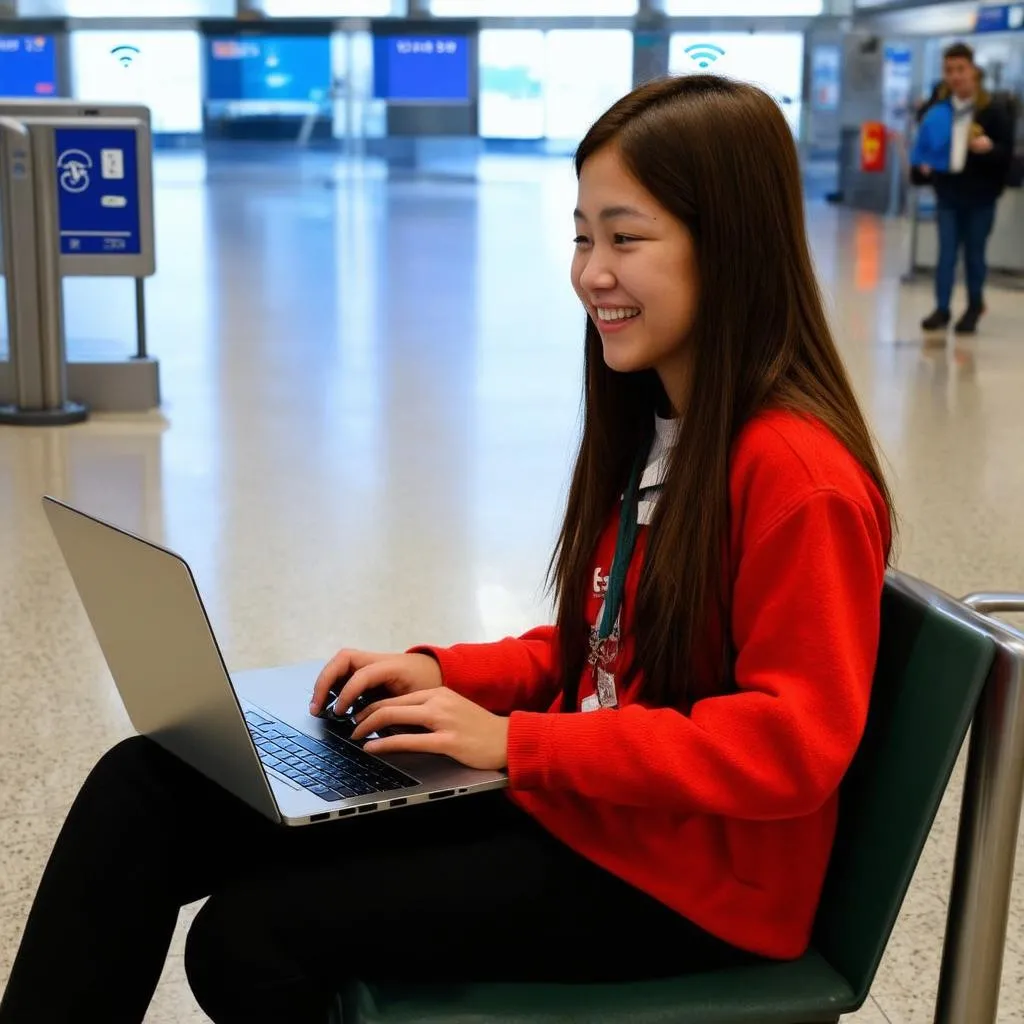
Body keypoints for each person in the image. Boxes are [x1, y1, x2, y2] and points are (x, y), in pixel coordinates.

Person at [0, 75, 894, 1024]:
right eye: (583, 235)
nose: (592, 271)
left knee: (248, 942)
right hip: (596, 811)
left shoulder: (801, 478)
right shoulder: (665, 429)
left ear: (732, 247)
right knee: (152, 786)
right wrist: (440, 672)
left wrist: (517, 743)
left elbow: (792, 745)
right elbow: (597, 649)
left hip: (684, 885)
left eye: (626, 238)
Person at [911, 43, 1014, 335]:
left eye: (960, 70)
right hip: (948, 192)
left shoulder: (993, 110)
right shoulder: (937, 109)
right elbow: (925, 143)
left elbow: (1007, 153)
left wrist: (990, 147)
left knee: (974, 253)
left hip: (981, 194)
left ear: (973, 71)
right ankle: (942, 308)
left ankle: (974, 305)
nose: (955, 77)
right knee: (945, 253)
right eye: (949, 71)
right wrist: (924, 164)